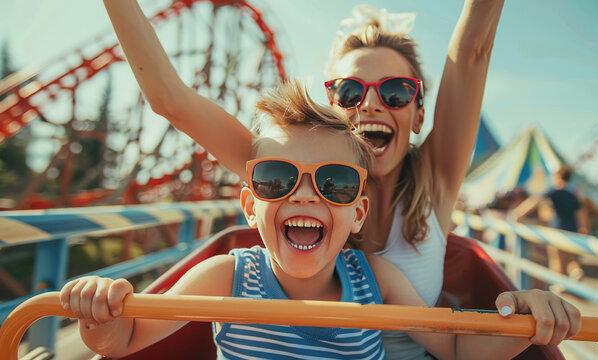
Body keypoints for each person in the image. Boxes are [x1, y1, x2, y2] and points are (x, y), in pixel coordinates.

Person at [60, 81, 581, 359]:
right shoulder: (227, 277)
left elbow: (457, 347)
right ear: (250, 206)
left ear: (357, 211)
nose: (306, 195)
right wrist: (99, 314)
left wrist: (527, 322)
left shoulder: (374, 279)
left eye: (332, 183)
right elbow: (122, 342)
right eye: (276, 179)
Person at [102, 0, 506, 357]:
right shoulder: (286, 173)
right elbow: (171, 100)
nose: (369, 104)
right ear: (331, 112)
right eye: (350, 92)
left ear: (418, 114)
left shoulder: (436, 179)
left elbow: (473, 51)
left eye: (396, 93)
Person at [514, 165, 590, 282]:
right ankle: (576, 271)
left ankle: (558, 285)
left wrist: (519, 213)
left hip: (557, 230)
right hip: (572, 230)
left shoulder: (554, 191)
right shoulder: (573, 194)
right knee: (571, 258)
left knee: (557, 260)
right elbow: (581, 212)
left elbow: (535, 200)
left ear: (558, 177)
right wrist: (584, 227)